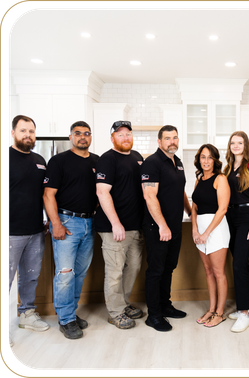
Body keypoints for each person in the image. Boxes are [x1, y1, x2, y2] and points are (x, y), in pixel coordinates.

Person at [43, 121, 99, 340]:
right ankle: (65, 319)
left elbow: (99, 193)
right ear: (70, 137)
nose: (83, 137)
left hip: (90, 223)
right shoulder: (59, 161)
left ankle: (70, 314)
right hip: (67, 223)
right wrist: (56, 223)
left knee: (80, 272)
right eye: (78, 134)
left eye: (86, 134)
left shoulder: (97, 161)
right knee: (65, 274)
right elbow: (48, 195)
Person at [141, 125, 192, 332]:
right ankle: (153, 315)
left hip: (175, 226)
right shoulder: (152, 163)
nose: (172, 141)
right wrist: (162, 225)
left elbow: (180, 191)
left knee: (169, 267)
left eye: (175, 138)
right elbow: (149, 196)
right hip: (157, 227)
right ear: (159, 141)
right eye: (168, 138)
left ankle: (165, 305)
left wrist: (190, 212)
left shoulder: (177, 163)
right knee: (155, 271)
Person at [95, 120, 144, 330]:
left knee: (133, 267)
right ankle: (115, 313)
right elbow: (102, 192)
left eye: (128, 133)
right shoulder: (107, 159)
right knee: (114, 272)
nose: (125, 137)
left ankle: (122, 304)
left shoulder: (137, 157)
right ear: (113, 138)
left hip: (135, 226)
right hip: (114, 227)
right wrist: (116, 223)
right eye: (120, 134)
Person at [8, 115, 50, 346]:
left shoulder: (40, 160)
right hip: (10, 232)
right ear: (13, 132)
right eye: (23, 130)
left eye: (31, 131)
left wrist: (47, 219)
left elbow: (45, 194)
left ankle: (26, 314)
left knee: (30, 276)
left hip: (35, 230)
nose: (28, 135)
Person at [225, 131, 249, 333]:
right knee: (242, 263)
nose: (236, 145)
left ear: (246, 145)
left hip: (247, 218)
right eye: (233, 143)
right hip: (230, 219)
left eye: (240, 142)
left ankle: (244, 314)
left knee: (238, 264)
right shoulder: (228, 168)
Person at [191, 144, 230, 327]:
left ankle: (220, 313)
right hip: (200, 232)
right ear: (199, 159)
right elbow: (194, 206)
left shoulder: (220, 179)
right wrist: (194, 230)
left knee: (218, 272)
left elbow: (222, 209)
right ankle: (211, 309)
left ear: (215, 160)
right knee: (208, 271)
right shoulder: (199, 179)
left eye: (209, 157)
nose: (206, 161)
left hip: (216, 230)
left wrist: (206, 233)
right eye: (203, 157)